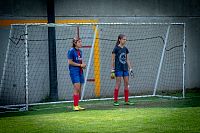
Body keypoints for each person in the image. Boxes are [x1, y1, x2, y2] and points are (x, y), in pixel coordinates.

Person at [111, 34, 134, 106]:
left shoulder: (125, 49)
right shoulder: (116, 49)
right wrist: (112, 70)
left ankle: (126, 100)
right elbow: (113, 60)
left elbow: (127, 59)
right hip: (118, 69)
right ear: (119, 40)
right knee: (118, 83)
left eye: (125, 39)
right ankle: (115, 101)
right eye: (124, 39)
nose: (125, 40)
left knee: (126, 83)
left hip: (125, 69)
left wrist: (130, 68)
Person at [67, 37, 86, 111]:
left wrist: (83, 65)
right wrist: (80, 65)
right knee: (77, 87)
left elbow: (80, 62)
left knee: (79, 89)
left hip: (80, 71)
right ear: (75, 43)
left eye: (81, 41)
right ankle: (75, 106)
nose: (81, 43)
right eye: (79, 42)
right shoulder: (71, 51)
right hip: (74, 71)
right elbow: (70, 62)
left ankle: (77, 105)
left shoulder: (80, 51)